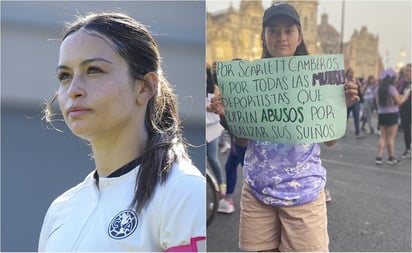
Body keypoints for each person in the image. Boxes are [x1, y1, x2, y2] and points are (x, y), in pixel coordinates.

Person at [38, 12, 205, 251]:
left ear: (145, 87)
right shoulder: (60, 210)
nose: (73, 90)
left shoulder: (183, 192)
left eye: (94, 70)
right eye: (65, 76)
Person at [212, 3, 359, 252]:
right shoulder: (248, 81)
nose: (281, 37)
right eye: (273, 31)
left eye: (288, 31)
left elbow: (330, 141)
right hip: (257, 192)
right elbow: (243, 143)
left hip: (304, 193)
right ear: (264, 36)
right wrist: (230, 117)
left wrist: (340, 107)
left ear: (299, 36)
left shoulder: (317, 79)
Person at [375, 68, 411, 165]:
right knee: (390, 138)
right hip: (392, 114)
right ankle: (391, 158)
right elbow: (398, 102)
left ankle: (379, 157)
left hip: (381, 114)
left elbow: (377, 102)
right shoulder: (391, 88)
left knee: (382, 136)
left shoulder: (379, 88)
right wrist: (406, 96)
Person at [206, 64, 226, 196]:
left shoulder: (214, 88)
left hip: (213, 129)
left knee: (213, 158)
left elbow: (214, 108)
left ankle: (221, 184)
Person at [397, 63, 411, 159]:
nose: (407, 72)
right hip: (405, 109)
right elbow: (396, 94)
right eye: (406, 70)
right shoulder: (402, 82)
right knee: (406, 130)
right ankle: (407, 149)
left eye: (409, 70)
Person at [346, 68, 364, 138]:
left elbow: (361, 92)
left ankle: (358, 132)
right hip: (347, 102)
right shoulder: (344, 81)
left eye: (353, 72)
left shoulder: (356, 81)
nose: (352, 74)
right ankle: (341, 131)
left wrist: (360, 84)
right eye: (350, 72)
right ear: (347, 73)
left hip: (355, 101)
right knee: (345, 118)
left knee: (356, 117)